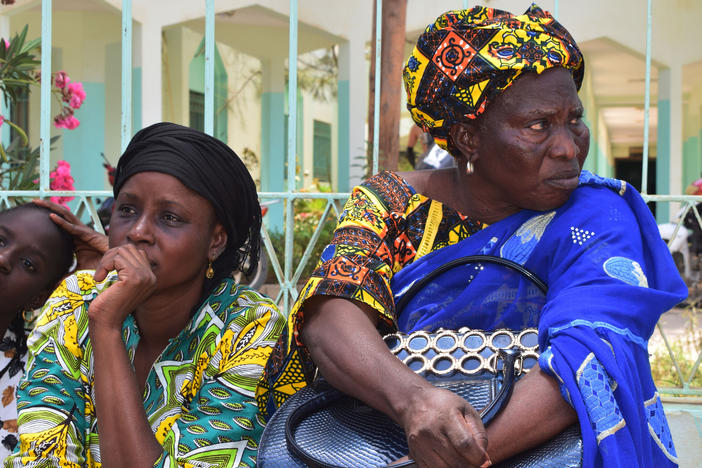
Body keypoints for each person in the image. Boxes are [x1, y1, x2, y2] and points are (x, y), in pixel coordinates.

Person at [257, 5, 686, 468]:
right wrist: (415, 400)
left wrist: (450, 456)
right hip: (384, 434)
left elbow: (590, 353)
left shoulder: (598, 215)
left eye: (573, 119)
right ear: (468, 139)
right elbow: (330, 314)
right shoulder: (392, 203)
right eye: (538, 125)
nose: (568, 147)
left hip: (535, 449)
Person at [6, 122, 287, 468]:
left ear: (215, 241)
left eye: (169, 217)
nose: (137, 232)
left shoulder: (248, 330)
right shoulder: (77, 300)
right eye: (127, 210)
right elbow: (42, 456)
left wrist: (107, 327)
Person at [0, 203, 74, 461]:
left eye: (28, 263)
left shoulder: (37, 381)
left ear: (40, 297)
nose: (3, 259)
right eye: (0, 240)